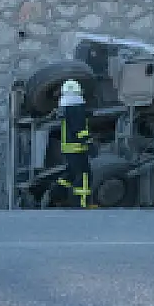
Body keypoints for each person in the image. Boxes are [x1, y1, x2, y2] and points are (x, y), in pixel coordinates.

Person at [56, 79, 95, 209]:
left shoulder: (64, 106)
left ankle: (56, 195)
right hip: (77, 147)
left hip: (67, 147)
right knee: (84, 174)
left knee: (71, 174)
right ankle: (83, 203)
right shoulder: (77, 106)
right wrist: (88, 142)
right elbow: (79, 128)